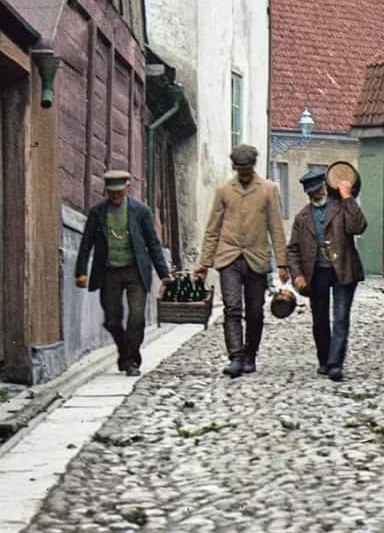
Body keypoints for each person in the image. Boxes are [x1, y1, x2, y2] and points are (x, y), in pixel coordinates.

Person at [196, 144, 288, 378]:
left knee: (255, 311)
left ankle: (251, 354)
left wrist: (283, 264)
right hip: (229, 257)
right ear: (235, 168)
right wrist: (204, 263)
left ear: (253, 167)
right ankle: (236, 356)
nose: (244, 174)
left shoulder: (268, 189)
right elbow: (212, 229)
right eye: (240, 170)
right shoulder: (224, 191)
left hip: (257, 257)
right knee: (232, 307)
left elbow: (276, 228)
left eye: (247, 170)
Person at [75, 169, 172, 376]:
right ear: (106, 192)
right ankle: (124, 350)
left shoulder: (141, 211)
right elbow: (86, 243)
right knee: (112, 319)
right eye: (111, 193)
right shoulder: (97, 212)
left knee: (136, 317)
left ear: (128, 188)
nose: (116, 197)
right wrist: (81, 271)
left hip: (135, 271)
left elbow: (153, 243)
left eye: (119, 193)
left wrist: (164, 273)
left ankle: (131, 361)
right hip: (109, 272)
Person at [287, 166, 367, 382]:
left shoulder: (342, 207)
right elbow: (292, 249)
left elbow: (359, 226)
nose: (317, 194)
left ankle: (335, 364)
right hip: (317, 273)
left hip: (343, 269)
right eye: (312, 192)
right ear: (308, 193)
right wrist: (297, 275)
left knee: (341, 318)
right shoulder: (302, 218)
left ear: (325, 185)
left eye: (319, 189)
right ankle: (324, 360)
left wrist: (348, 197)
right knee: (319, 319)